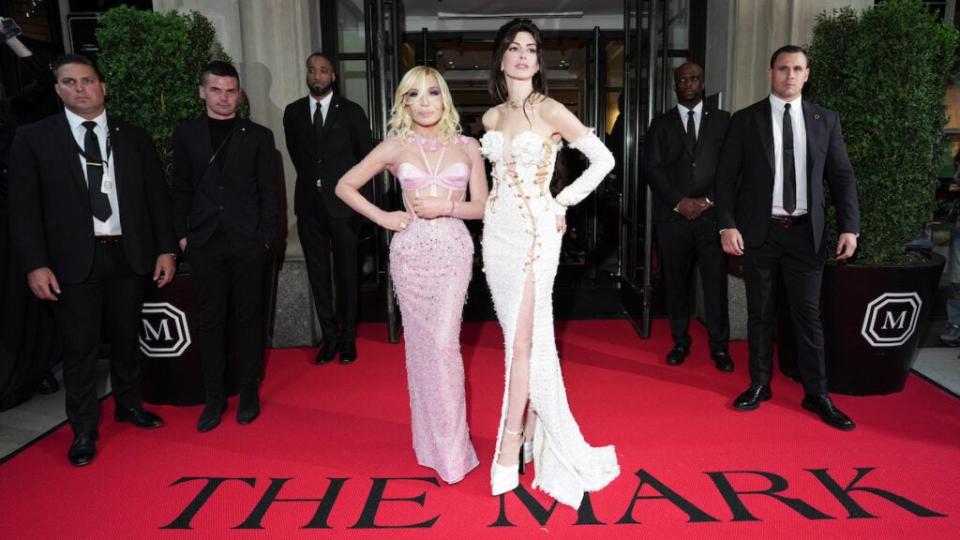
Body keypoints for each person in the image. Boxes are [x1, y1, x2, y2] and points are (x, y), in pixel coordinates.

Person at [8, 54, 176, 465]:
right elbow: (23, 209)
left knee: (126, 338)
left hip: (128, 253)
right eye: (69, 82)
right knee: (79, 348)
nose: (79, 89)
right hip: (71, 262)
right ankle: (83, 429)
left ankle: (129, 404)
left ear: (103, 86)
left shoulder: (133, 136)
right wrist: (35, 264)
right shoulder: (34, 138)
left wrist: (166, 248)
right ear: (57, 89)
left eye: (87, 81)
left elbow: (157, 197)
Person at [479, 18, 619, 509]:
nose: (522, 56)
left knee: (521, 341)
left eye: (531, 49)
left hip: (538, 234)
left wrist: (561, 203)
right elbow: (492, 186)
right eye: (514, 48)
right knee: (521, 339)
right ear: (501, 58)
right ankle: (533, 429)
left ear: (539, 61)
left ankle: (509, 443)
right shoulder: (492, 118)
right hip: (496, 237)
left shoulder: (551, 110)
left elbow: (603, 160)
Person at [335, 66, 486, 484]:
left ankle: (453, 452)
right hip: (411, 253)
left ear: (445, 99)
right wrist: (383, 216)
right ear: (404, 102)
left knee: (444, 347)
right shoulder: (394, 146)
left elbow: (484, 206)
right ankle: (431, 443)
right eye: (414, 94)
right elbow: (344, 186)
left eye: (433, 93)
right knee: (422, 350)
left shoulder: (468, 146)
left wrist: (449, 208)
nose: (424, 102)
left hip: (454, 251)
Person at [715, 45, 860, 430]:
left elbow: (841, 176)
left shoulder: (824, 119)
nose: (790, 75)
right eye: (783, 69)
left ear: (807, 74)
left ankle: (817, 394)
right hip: (759, 234)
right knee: (760, 315)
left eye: (797, 69)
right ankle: (760, 385)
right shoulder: (746, 120)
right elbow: (725, 178)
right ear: (770, 72)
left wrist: (850, 226)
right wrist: (726, 224)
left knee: (808, 317)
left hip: (805, 235)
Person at [172, 61, 278, 432]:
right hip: (204, 243)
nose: (224, 98)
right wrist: (182, 235)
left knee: (249, 320)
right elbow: (180, 187)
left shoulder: (259, 136)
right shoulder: (186, 134)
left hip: (247, 242)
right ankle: (213, 398)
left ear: (239, 94)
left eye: (231, 91)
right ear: (202, 91)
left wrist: (266, 236)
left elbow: (270, 192)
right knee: (210, 321)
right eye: (216, 90)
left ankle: (248, 392)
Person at [283, 52, 375, 365]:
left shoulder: (351, 112)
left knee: (347, 273)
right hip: (309, 206)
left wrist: (361, 204)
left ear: (333, 76)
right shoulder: (293, 113)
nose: (317, 76)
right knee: (318, 274)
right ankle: (329, 336)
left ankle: (348, 337)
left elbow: (367, 160)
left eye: (323, 71)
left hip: (345, 208)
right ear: (307, 75)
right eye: (312, 70)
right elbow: (299, 157)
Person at [644, 62, 733, 371]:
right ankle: (680, 341)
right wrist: (680, 202)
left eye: (694, 78)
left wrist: (708, 201)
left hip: (711, 219)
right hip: (673, 220)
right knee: (676, 284)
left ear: (703, 82)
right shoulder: (661, 123)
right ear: (675, 85)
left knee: (715, 286)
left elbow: (731, 168)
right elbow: (652, 169)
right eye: (683, 80)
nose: (689, 84)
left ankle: (720, 347)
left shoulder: (723, 121)